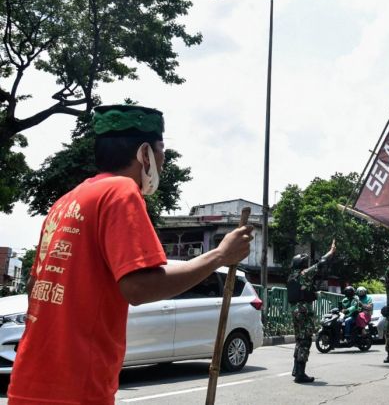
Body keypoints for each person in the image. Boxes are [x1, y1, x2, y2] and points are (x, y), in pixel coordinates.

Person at [8, 105, 253, 405]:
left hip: (27, 382)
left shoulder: (66, 202)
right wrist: (219, 256)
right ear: (144, 153)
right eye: (162, 150)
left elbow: (35, 287)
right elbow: (138, 286)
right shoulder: (121, 192)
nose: (163, 162)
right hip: (76, 387)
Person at [287, 241, 337, 384]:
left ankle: (296, 369)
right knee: (305, 340)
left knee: (299, 340)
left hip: (294, 311)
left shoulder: (291, 276)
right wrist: (331, 252)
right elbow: (321, 263)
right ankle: (300, 374)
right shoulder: (304, 274)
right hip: (304, 312)